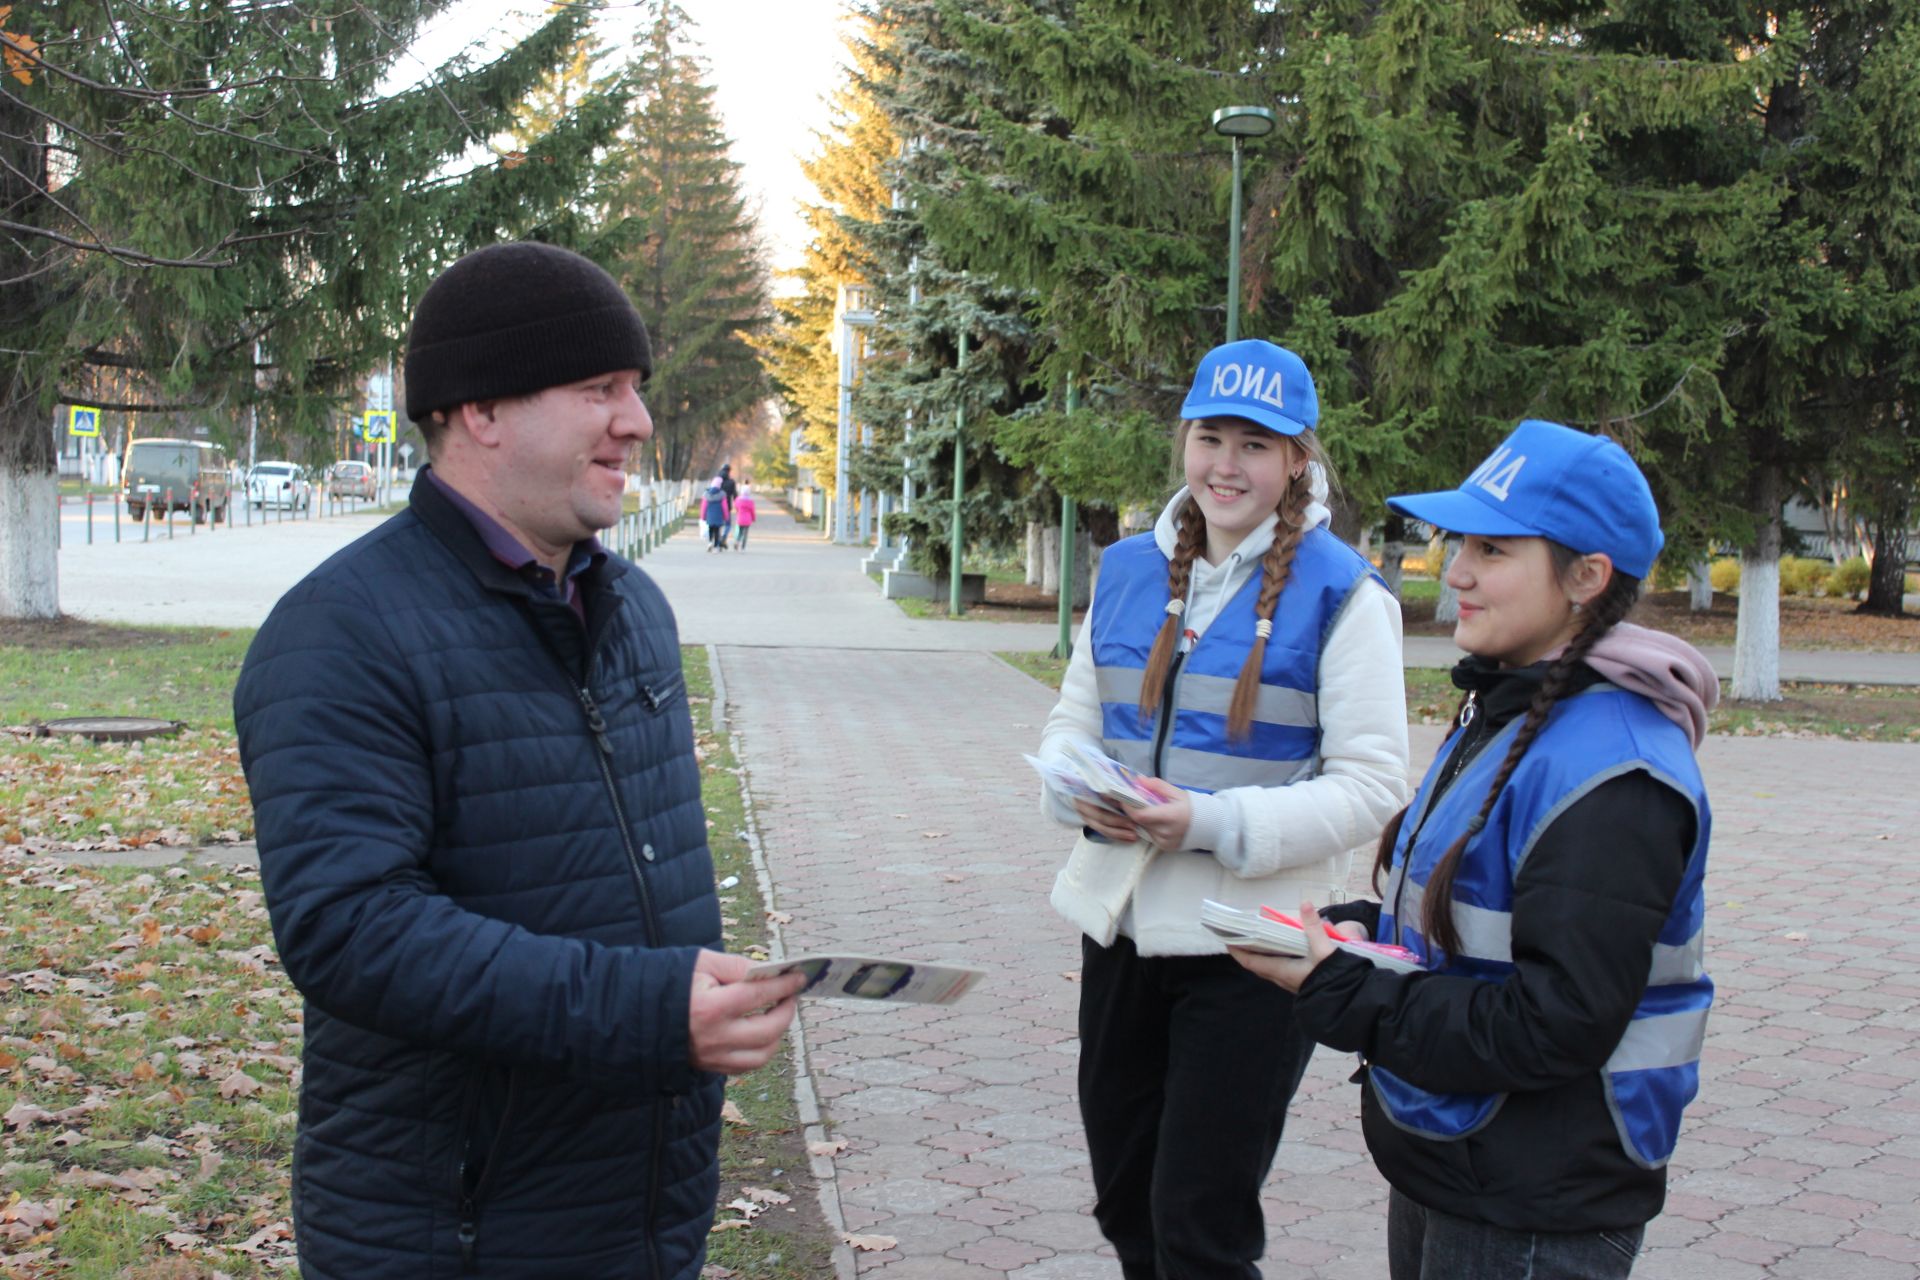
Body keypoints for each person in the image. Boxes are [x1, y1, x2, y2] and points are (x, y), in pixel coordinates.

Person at [232, 241, 806, 1279]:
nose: (634, 420)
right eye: (599, 388)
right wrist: (647, 1009)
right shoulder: (341, 632)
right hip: (454, 1236)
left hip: (637, 1219)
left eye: (635, 388)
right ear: (480, 409)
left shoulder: (633, 611)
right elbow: (351, 930)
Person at [1233, 419, 1718, 1280]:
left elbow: (1553, 1024)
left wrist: (1340, 988)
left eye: (1492, 549)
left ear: (1587, 578)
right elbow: (1475, 919)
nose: (1453, 570)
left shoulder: (1613, 770)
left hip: (1533, 1198)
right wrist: (1356, 933)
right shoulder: (1513, 704)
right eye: (1457, 541)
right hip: (1459, 1157)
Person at [1035, 338, 1411, 1280]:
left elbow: (1373, 784)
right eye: (1211, 438)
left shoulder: (1346, 595)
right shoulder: (1125, 571)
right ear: (1185, 444)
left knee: (1200, 1226)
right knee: (1127, 1203)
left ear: (1297, 461)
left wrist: (1207, 823)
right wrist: (1077, 791)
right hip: (1119, 932)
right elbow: (1072, 727)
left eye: (1256, 443)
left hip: (1254, 951)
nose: (1227, 465)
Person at [701, 475, 730, 551]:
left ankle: (710, 542)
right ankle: (716, 546)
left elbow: (704, 507)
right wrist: (726, 517)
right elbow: (725, 507)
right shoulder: (722, 495)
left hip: (709, 516)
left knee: (710, 529)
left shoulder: (706, 494)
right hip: (718, 516)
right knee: (717, 531)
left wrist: (703, 516)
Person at [717, 462, 739, 544]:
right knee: (728, 524)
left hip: (717, 505)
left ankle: (718, 539)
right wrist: (738, 507)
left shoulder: (717, 481)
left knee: (718, 523)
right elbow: (735, 495)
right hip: (727, 506)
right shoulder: (731, 482)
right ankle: (724, 537)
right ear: (729, 471)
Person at [733, 482, 757, 550]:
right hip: (747, 519)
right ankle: (743, 546)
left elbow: (736, 507)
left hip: (740, 518)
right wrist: (753, 518)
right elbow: (752, 511)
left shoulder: (738, 499)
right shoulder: (750, 501)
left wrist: (738, 512)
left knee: (740, 532)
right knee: (745, 533)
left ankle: (737, 542)